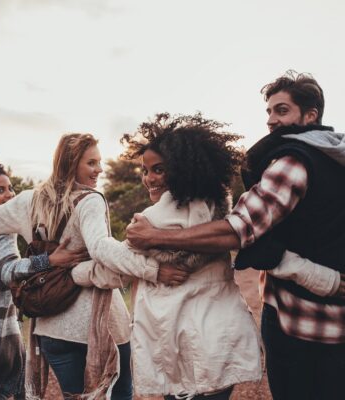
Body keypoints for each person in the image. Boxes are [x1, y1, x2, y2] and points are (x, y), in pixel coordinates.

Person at [126, 72, 345, 400]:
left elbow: (237, 230)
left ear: (311, 115)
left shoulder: (292, 162)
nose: (271, 120)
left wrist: (153, 236)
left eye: (281, 111)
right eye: (269, 112)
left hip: (297, 319)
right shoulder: (334, 157)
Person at [72, 113, 262, 399]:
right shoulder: (215, 205)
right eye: (146, 170)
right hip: (219, 339)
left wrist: (73, 270)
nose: (149, 178)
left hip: (182, 346)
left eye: (158, 169)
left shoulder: (157, 218)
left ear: (182, 168)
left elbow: (111, 261)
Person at [0, 134, 167, 399]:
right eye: (92, 163)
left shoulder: (29, 201)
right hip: (101, 326)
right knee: (120, 393)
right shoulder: (90, 200)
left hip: (51, 327)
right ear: (72, 164)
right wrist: (152, 267)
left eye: (100, 162)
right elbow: (101, 249)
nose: (100, 169)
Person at [0, 154, 87, 400]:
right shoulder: (3, 234)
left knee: (16, 384)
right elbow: (9, 271)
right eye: (0, 191)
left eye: (10, 188)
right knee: (17, 381)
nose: (10, 195)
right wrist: (50, 260)